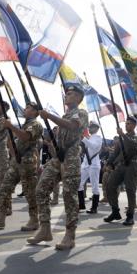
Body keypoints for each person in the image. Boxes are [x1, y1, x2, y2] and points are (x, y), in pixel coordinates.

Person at [27, 85, 88, 250]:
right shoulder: (64, 115)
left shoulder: (81, 113)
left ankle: (70, 236)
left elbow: (73, 126)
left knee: (69, 196)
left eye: (70, 94)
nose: (67, 96)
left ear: (78, 98)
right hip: (58, 157)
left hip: (71, 157)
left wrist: (49, 116)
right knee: (41, 190)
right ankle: (45, 229)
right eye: (66, 93)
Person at [0, 102, 43, 231]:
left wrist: (10, 126)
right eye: (26, 107)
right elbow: (13, 142)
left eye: (28, 108)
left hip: (28, 161)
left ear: (35, 112)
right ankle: (0, 217)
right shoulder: (25, 125)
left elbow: (25, 136)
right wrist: (13, 151)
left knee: (29, 192)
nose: (25, 109)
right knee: (5, 187)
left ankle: (34, 220)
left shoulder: (36, 124)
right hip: (17, 161)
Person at [103, 116, 137, 226]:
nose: (126, 125)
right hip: (120, 166)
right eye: (126, 123)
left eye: (129, 124)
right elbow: (115, 152)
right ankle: (115, 211)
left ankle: (130, 216)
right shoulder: (121, 139)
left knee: (130, 190)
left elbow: (133, 145)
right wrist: (109, 163)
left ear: (134, 125)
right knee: (110, 185)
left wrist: (123, 135)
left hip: (131, 165)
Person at [79, 120, 103, 214]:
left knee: (95, 187)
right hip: (85, 164)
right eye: (89, 127)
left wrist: (84, 139)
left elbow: (93, 146)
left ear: (97, 128)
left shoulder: (98, 138)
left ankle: (94, 208)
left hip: (94, 165)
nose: (90, 128)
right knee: (79, 184)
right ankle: (81, 205)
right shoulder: (88, 138)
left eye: (92, 127)